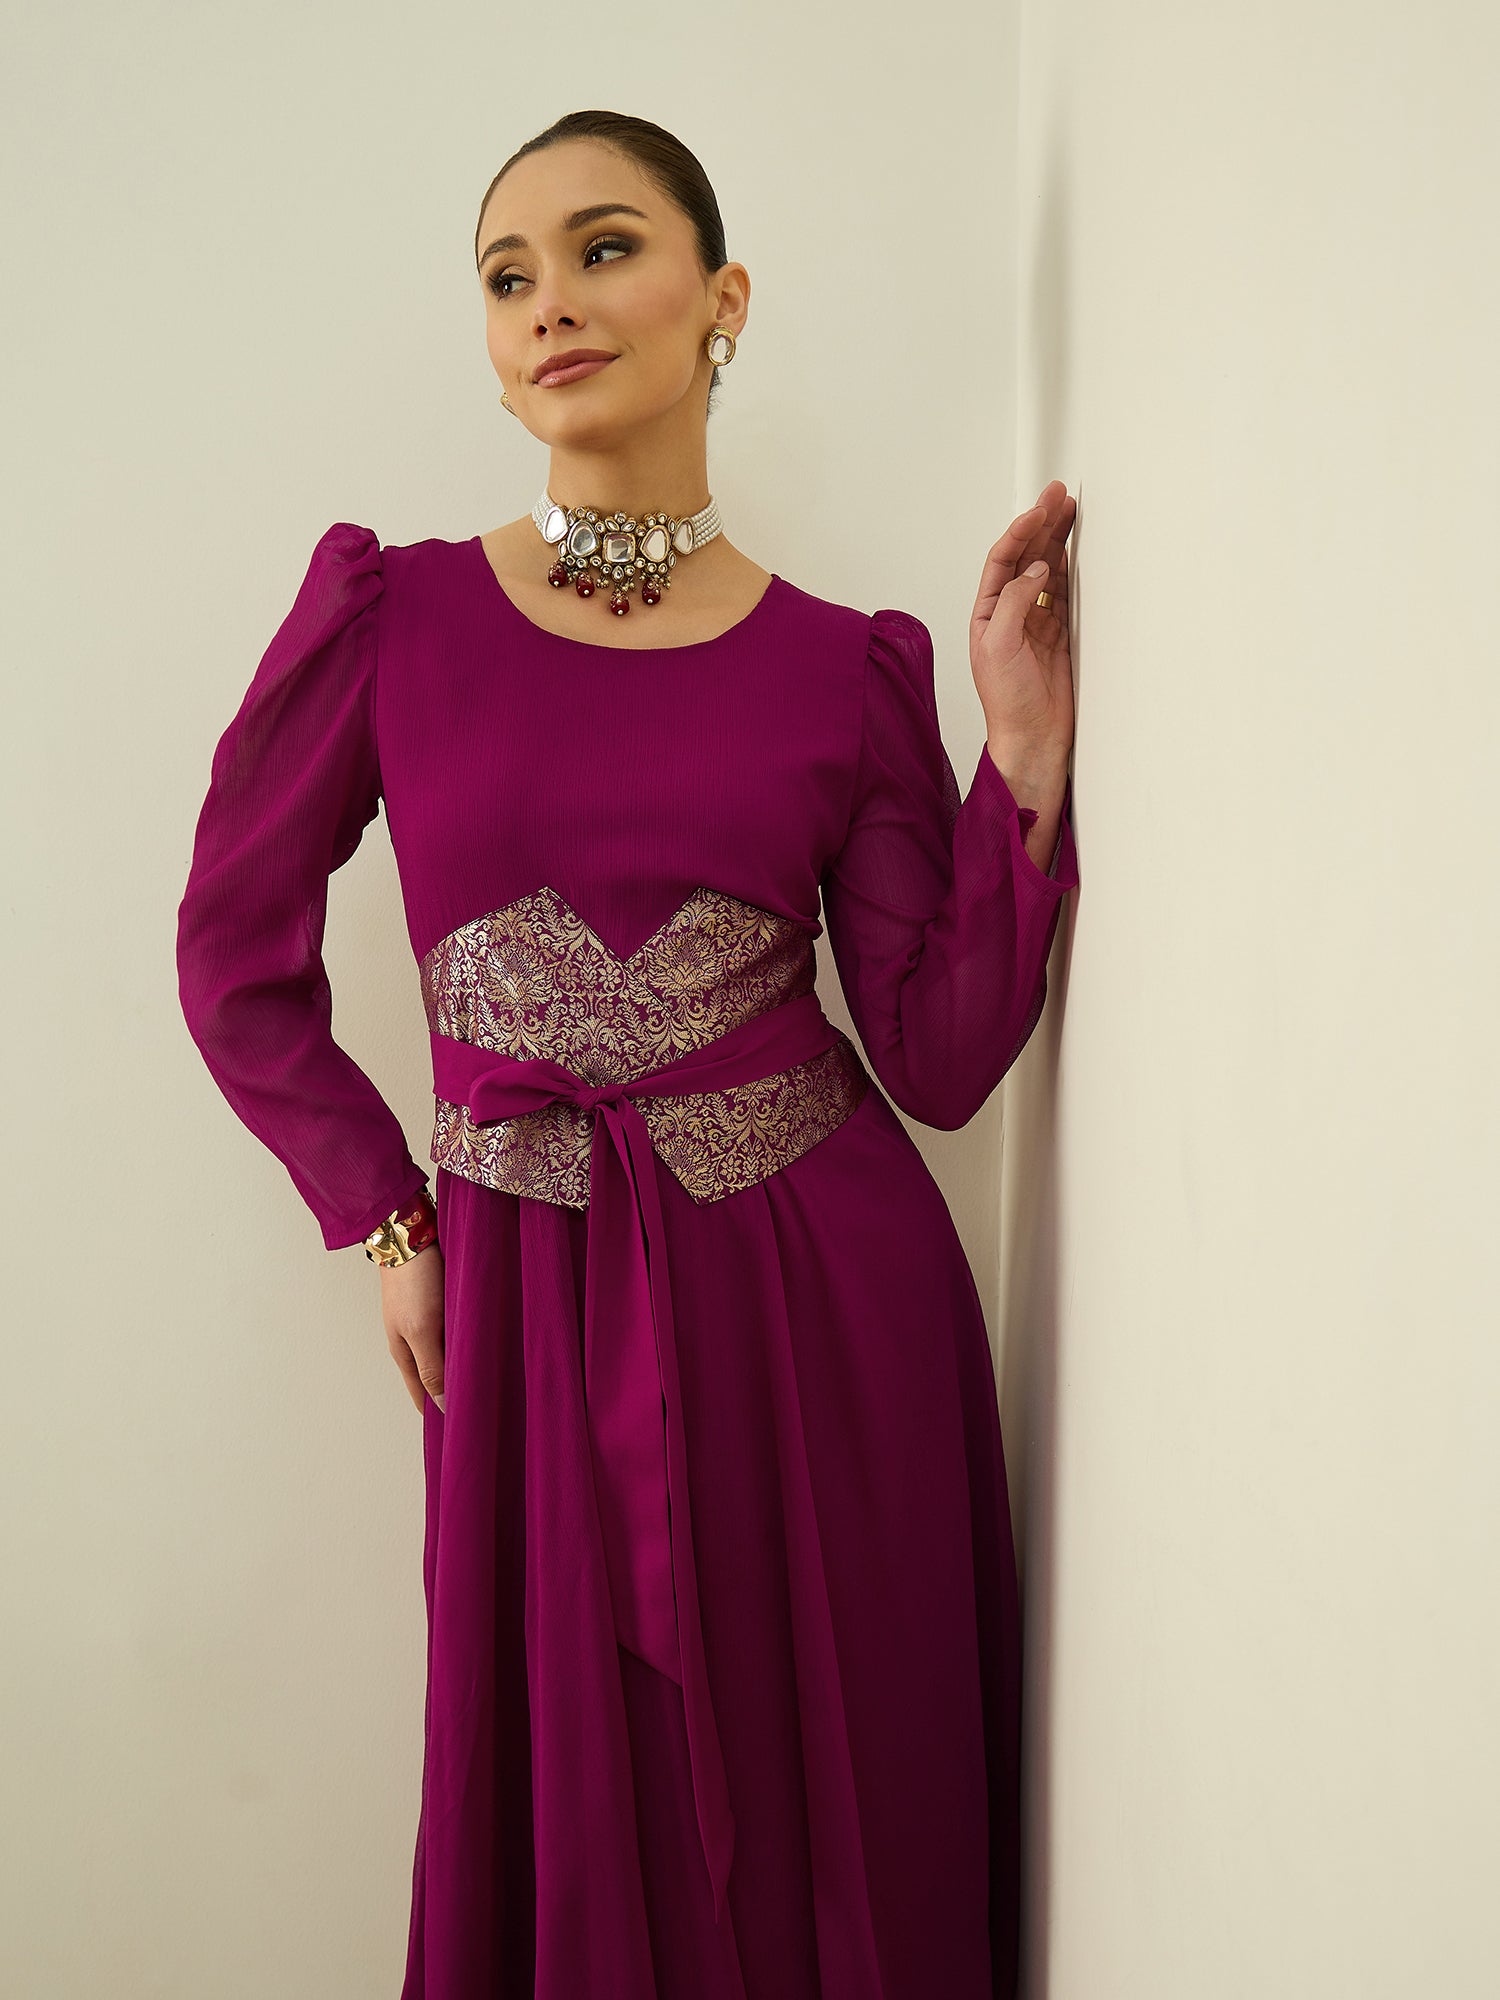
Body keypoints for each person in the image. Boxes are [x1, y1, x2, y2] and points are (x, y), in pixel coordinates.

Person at [175, 106, 1079, 2000]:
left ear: (722, 299)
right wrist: (386, 1217)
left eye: (603, 250)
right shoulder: (391, 617)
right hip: (523, 1305)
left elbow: (936, 1052)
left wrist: (1015, 758)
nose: (549, 305)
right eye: (507, 277)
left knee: (837, 1822)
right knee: (566, 1824)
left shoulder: (846, 667)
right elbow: (235, 954)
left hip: (823, 1325)